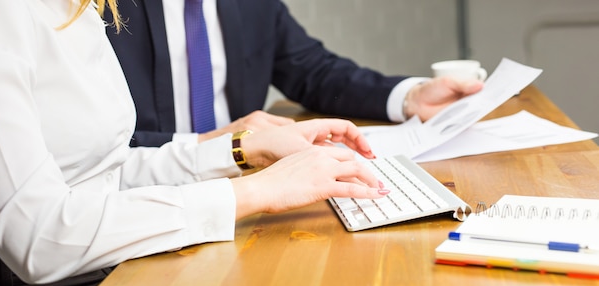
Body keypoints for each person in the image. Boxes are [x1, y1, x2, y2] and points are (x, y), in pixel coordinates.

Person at [0, 1, 389, 286]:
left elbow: (103, 170)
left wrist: (240, 152)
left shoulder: (81, 8)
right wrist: (253, 192)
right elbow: (39, 237)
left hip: (91, 270)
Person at [106, 0, 484, 147]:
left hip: (245, 183)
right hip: (145, 198)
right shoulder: (97, 12)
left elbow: (315, 71)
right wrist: (206, 146)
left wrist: (408, 97)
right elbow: (88, 149)